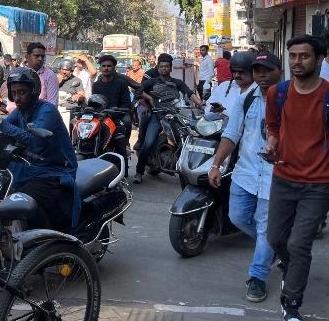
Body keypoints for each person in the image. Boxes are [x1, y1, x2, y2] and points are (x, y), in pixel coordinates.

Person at [208, 52, 283, 304]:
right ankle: (274, 245)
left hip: (275, 176)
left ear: (278, 72)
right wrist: (216, 164)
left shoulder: (289, 100)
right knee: (237, 216)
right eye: (258, 71)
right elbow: (231, 134)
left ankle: (257, 277)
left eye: (267, 70)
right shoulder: (245, 99)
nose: (262, 76)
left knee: (264, 227)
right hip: (245, 173)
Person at [265, 35, 329, 321]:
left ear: (320, 58)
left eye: (304, 56)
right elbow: (274, 127)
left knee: (299, 243)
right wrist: (271, 143)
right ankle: (292, 269)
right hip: (283, 176)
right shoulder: (277, 93)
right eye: (292, 56)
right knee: (276, 238)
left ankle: (291, 305)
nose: (296, 62)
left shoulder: (328, 95)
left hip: (319, 183)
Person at [0, 67, 79, 230]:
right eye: (14, 93)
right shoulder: (20, 111)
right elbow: (3, 129)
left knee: (24, 202)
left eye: (22, 92)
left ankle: (47, 245)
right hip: (29, 167)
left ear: (34, 90)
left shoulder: (47, 110)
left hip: (54, 171)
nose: (17, 98)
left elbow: (33, 140)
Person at [134, 53, 203, 184]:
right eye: (162, 67)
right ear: (158, 68)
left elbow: (190, 93)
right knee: (148, 143)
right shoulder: (152, 81)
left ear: (171, 68)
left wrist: (201, 104)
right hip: (157, 116)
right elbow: (137, 89)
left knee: (186, 140)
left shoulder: (177, 83)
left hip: (175, 116)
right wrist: (149, 99)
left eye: (167, 66)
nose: (164, 69)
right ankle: (139, 172)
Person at [91, 54, 133, 175]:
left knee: (121, 139)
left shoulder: (121, 83)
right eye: (103, 66)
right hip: (100, 118)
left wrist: (117, 110)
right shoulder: (96, 85)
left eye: (109, 66)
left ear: (114, 67)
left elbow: (126, 104)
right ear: (100, 68)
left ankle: (124, 172)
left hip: (117, 117)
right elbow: (94, 102)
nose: (106, 68)